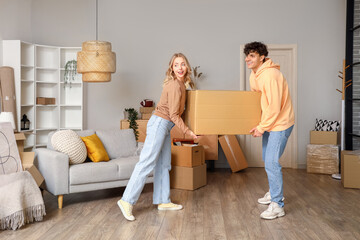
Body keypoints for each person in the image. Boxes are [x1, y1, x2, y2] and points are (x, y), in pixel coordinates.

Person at [117, 53, 198, 221]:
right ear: (171, 68)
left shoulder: (182, 85)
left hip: (165, 126)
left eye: (182, 64)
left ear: (187, 67)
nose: (180, 68)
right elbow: (174, 115)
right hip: (160, 124)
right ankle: (126, 201)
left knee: (163, 163)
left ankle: (163, 200)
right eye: (176, 65)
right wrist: (188, 132)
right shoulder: (175, 86)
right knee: (147, 162)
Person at [244, 41, 295, 220]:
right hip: (269, 123)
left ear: (262, 57)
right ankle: (274, 192)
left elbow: (274, 106)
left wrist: (262, 127)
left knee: (271, 163)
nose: (247, 59)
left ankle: (277, 205)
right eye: (247, 55)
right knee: (268, 159)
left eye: (252, 55)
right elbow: (257, 101)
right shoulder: (255, 74)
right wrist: (258, 123)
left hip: (280, 123)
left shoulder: (270, 75)